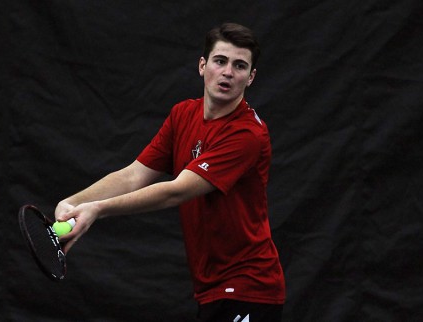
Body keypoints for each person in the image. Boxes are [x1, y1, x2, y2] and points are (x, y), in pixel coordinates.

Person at [55, 22, 285, 322]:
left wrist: (97, 209)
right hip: (210, 287)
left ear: (251, 77)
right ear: (203, 66)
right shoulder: (183, 115)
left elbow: (176, 190)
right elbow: (133, 175)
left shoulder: (247, 135)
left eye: (240, 66)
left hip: (250, 287)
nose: (228, 72)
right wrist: (72, 202)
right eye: (220, 61)